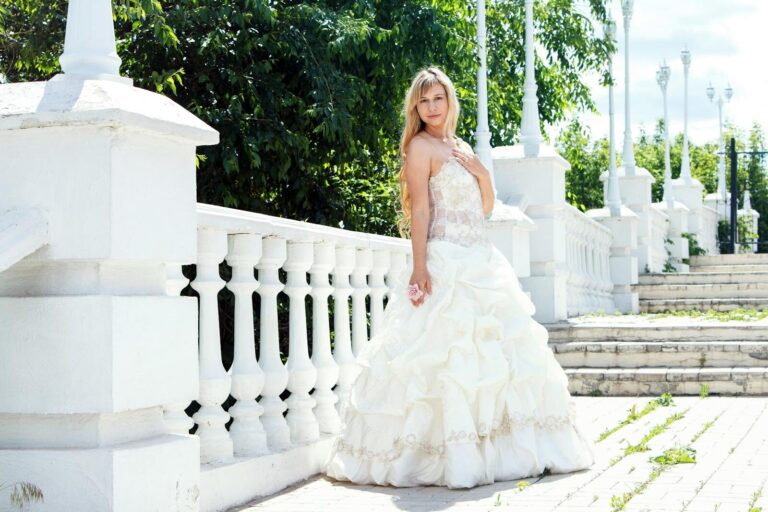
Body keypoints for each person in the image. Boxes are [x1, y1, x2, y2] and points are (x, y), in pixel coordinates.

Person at [324, 67, 594, 488]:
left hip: (481, 260)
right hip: (445, 259)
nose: (432, 107)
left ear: (450, 101)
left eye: (438, 98)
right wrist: (419, 267)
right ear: (416, 107)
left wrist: (483, 173)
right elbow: (420, 210)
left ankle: (500, 448)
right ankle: (438, 454)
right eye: (424, 101)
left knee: (497, 359)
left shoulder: (462, 147)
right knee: (445, 361)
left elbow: (485, 208)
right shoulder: (420, 148)